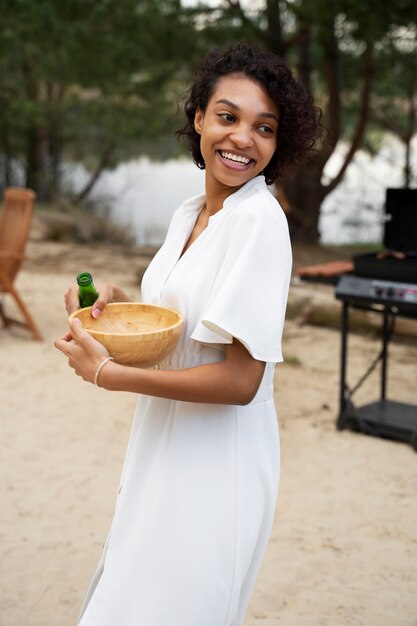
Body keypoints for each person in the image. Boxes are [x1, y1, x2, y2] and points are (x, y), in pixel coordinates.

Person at [55, 42, 322, 626]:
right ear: (198, 118)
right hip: (161, 445)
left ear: (280, 143)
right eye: (228, 117)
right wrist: (111, 305)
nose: (242, 139)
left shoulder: (260, 221)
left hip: (216, 465)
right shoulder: (189, 215)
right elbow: (174, 318)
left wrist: (109, 374)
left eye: (264, 127)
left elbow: (241, 378)